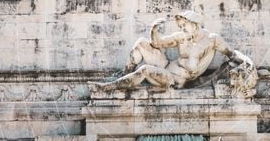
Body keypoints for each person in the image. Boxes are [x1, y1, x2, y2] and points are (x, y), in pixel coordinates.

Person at [91, 11, 253, 92]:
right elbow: (157, 43)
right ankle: (124, 74)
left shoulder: (211, 40)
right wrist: (154, 29)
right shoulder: (181, 37)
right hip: (167, 65)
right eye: (181, 26)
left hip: (175, 79)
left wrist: (247, 62)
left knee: (146, 70)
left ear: (194, 23)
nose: (182, 29)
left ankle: (109, 88)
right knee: (141, 43)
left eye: (184, 26)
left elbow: (232, 54)